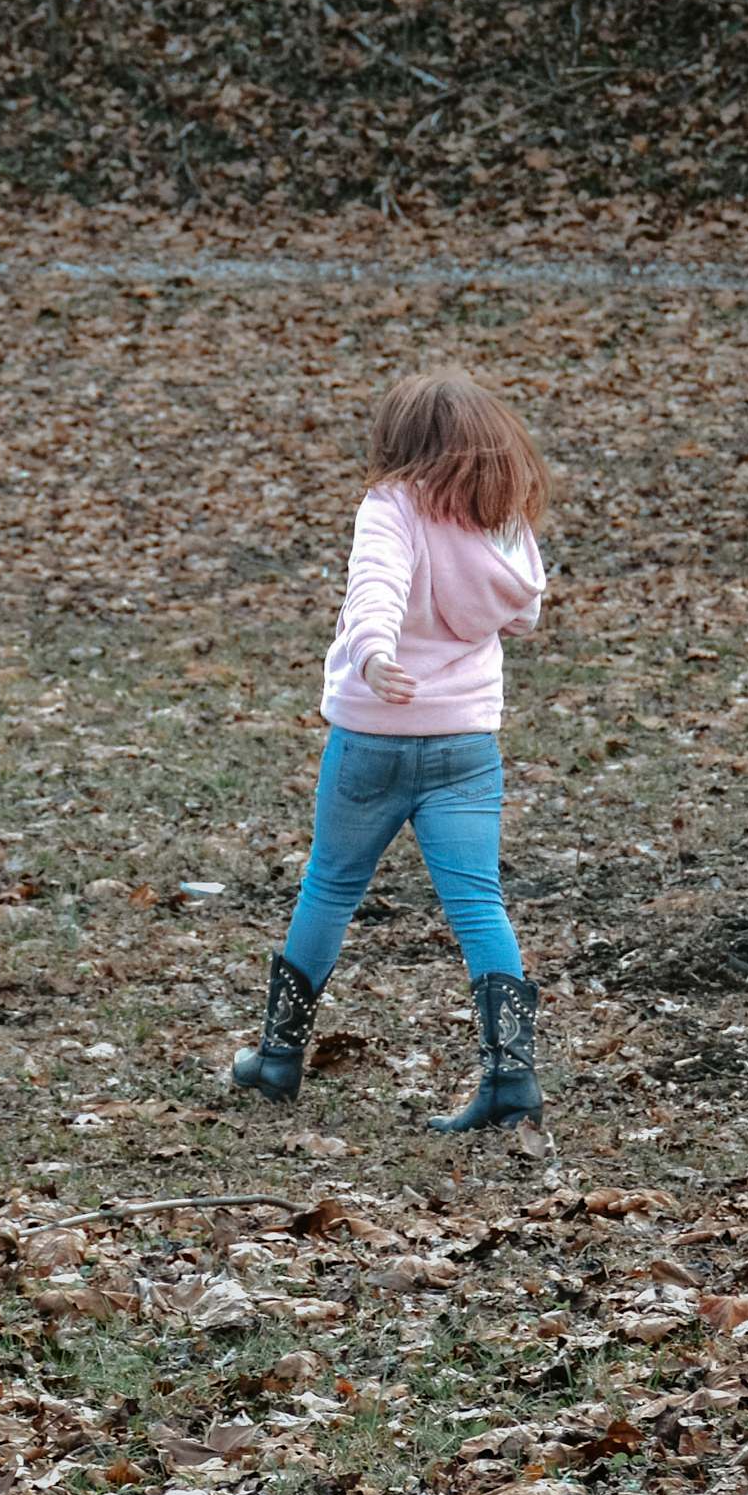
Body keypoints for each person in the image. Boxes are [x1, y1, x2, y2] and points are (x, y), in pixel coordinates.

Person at [229, 367, 553, 1132]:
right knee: (479, 903)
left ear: (401, 440)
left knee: (331, 886)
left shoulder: (391, 506)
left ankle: (278, 1058)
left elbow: (374, 583)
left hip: (374, 738)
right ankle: (511, 1076)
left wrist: (374, 655)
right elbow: (525, 612)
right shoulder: (500, 518)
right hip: (466, 746)